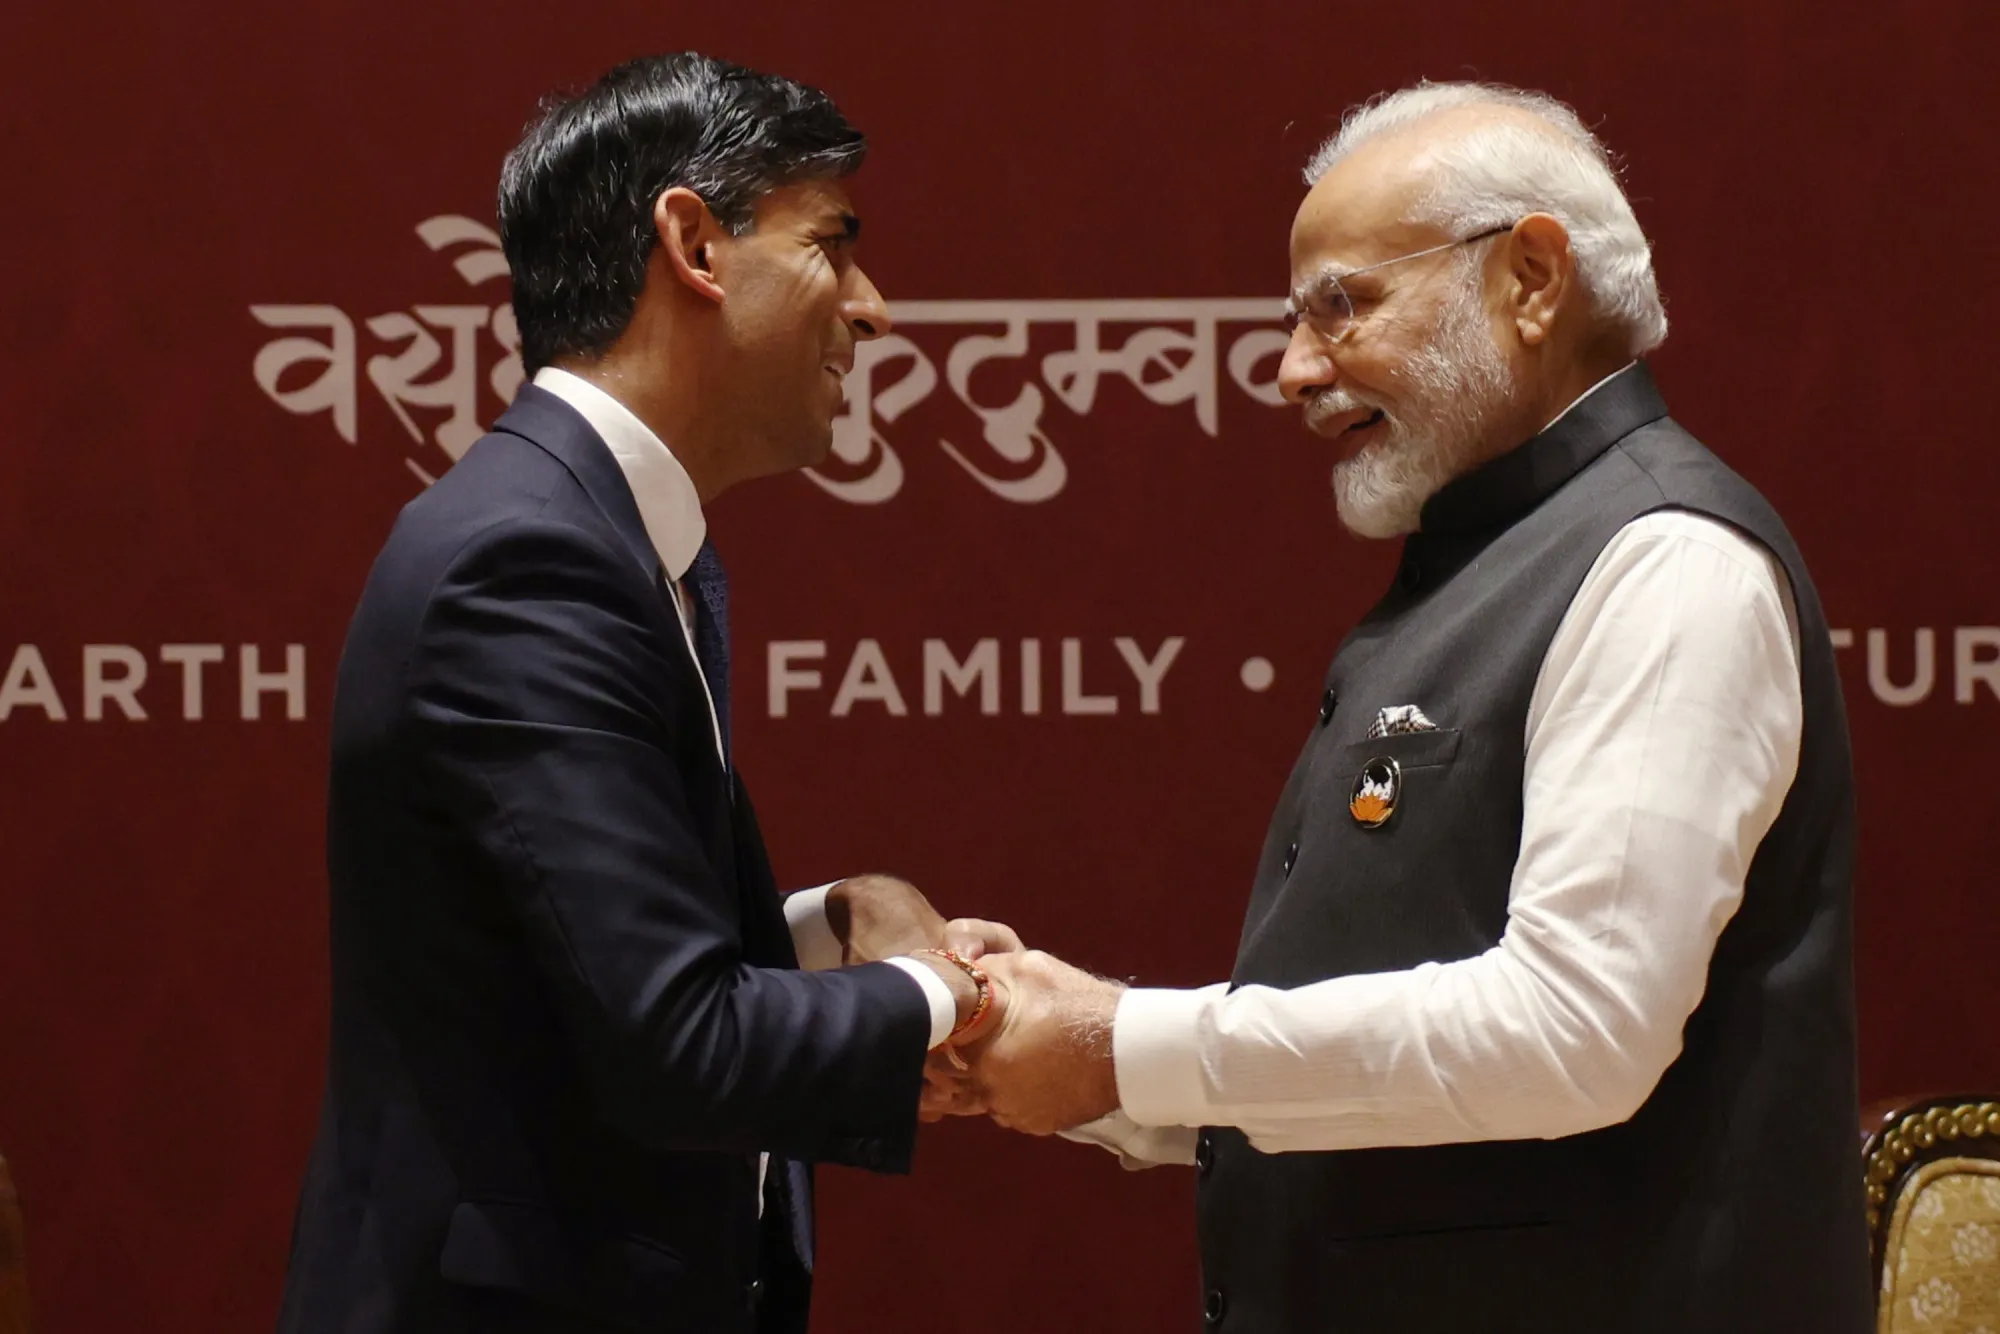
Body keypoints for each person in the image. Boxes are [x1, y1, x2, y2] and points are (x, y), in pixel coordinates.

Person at [939, 82, 1871, 1333]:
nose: (1288, 369)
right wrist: (1061, 1046)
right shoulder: (1479, 563)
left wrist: (1123, 1041)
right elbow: (1393, 1078)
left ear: (1530, 277)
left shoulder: (1665, 561)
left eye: (1342, 304)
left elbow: (1570, 1031)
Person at [277, 53, 1005, 1334]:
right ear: (694, 243)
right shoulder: (533, 558)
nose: (873, 307)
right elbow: (678, 1043)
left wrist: (832, 932)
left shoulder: (590, 531)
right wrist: (957, 996)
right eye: (832, 243)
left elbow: (572, 966)